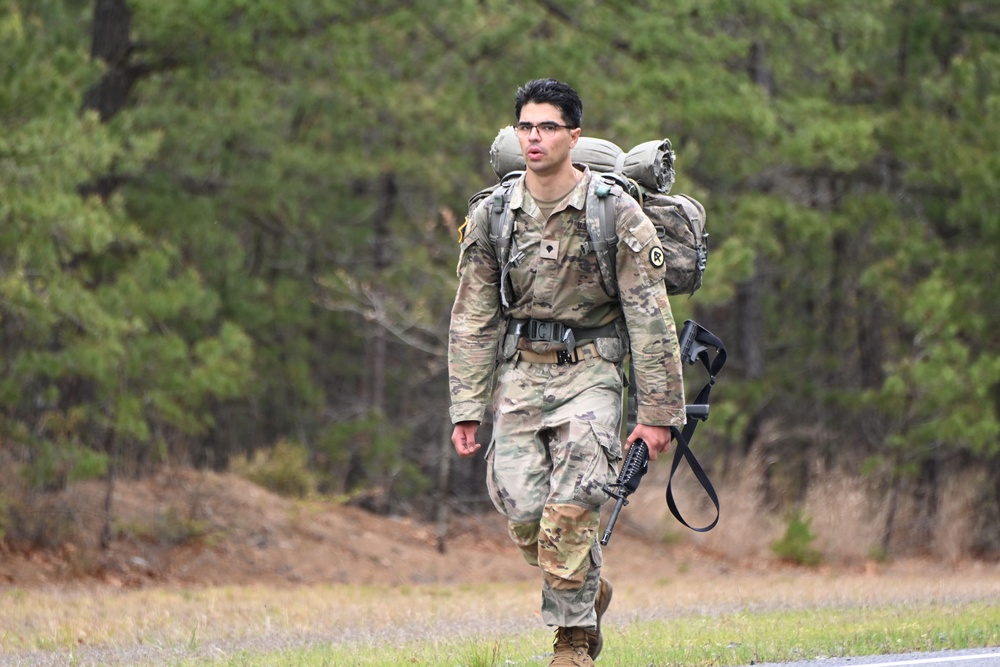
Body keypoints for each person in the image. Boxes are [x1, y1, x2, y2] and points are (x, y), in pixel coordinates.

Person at [448, 78, 686, 666]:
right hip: (521, 374)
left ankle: (572, 639)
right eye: (526, 126)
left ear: (573, 137)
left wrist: (657, 415)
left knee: (574, 503)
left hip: (592, 370)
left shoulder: (614, 211)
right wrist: (466, 406)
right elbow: (474, 315)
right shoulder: (494, 215)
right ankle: (586, 588)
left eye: (548, 127)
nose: (535, 137)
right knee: (523, 509)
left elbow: (650, 318)